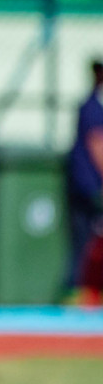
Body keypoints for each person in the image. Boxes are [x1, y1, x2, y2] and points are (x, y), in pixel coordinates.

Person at [64, 59, 103, 299]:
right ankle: (81, 290)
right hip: (89, 186)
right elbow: (97, 144)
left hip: (84, 184)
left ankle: (81, 289)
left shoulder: (89, 105)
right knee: (84, 240)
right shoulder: (92, 107)